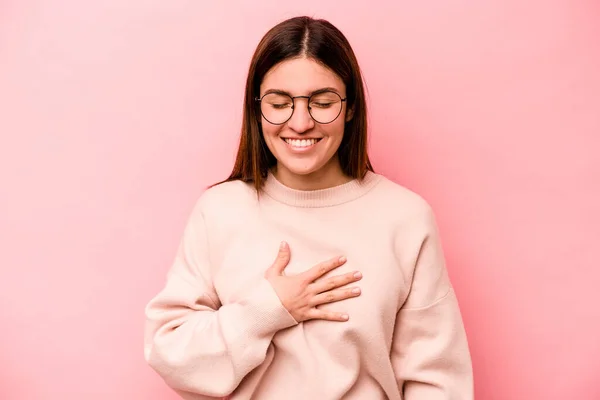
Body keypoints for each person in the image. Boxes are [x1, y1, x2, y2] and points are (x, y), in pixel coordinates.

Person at [143, 15, 473, 400]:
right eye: (280, 104)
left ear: (350, 108)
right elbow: (170, 353)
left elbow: (438, 380)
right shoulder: (219, 211)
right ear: (257, 108)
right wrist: (270, 308)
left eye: (322, 103)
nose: (300, 123)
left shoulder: (406, 218)